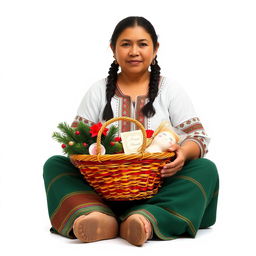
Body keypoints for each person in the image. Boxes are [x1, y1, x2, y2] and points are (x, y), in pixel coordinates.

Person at [43, 16, 219, 246]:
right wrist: (97, 159)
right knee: (55, 165)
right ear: (112, 49)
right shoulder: (98, 91)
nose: (134, 51)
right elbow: (74, 141)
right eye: (126, 44)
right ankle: (98, 216)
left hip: (159, 189)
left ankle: (143, 218)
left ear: (155, 49)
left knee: (205, 169)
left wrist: (183, 154)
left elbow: (198, 137)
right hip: (101, 190)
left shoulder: (170, 90)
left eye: (142, 44)